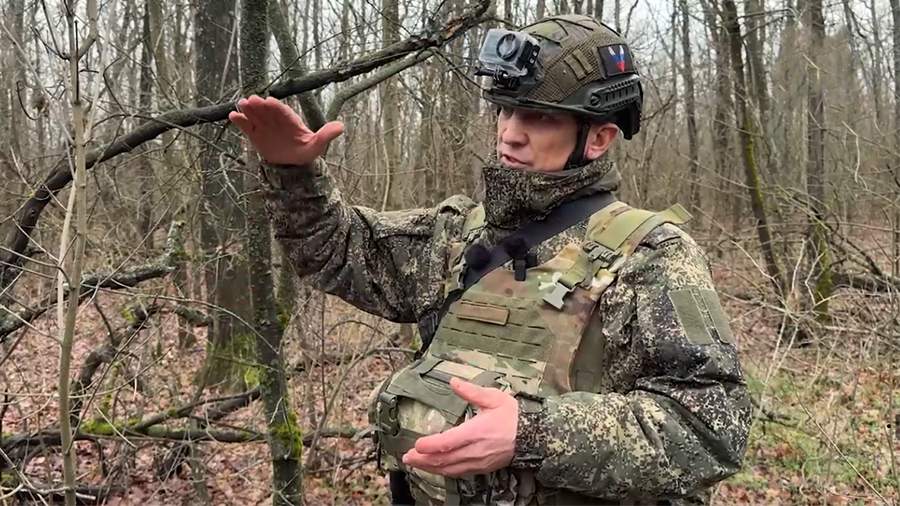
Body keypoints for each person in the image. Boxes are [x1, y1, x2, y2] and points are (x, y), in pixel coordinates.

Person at [229, 14, 751, 506]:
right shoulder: (457, 235)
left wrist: (532, 433)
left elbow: (712, 427)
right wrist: (293, 172)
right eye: (505, 109)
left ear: (598, 138)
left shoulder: (652, 257)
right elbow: (338, 250)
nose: (510, 132)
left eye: (540, 117)